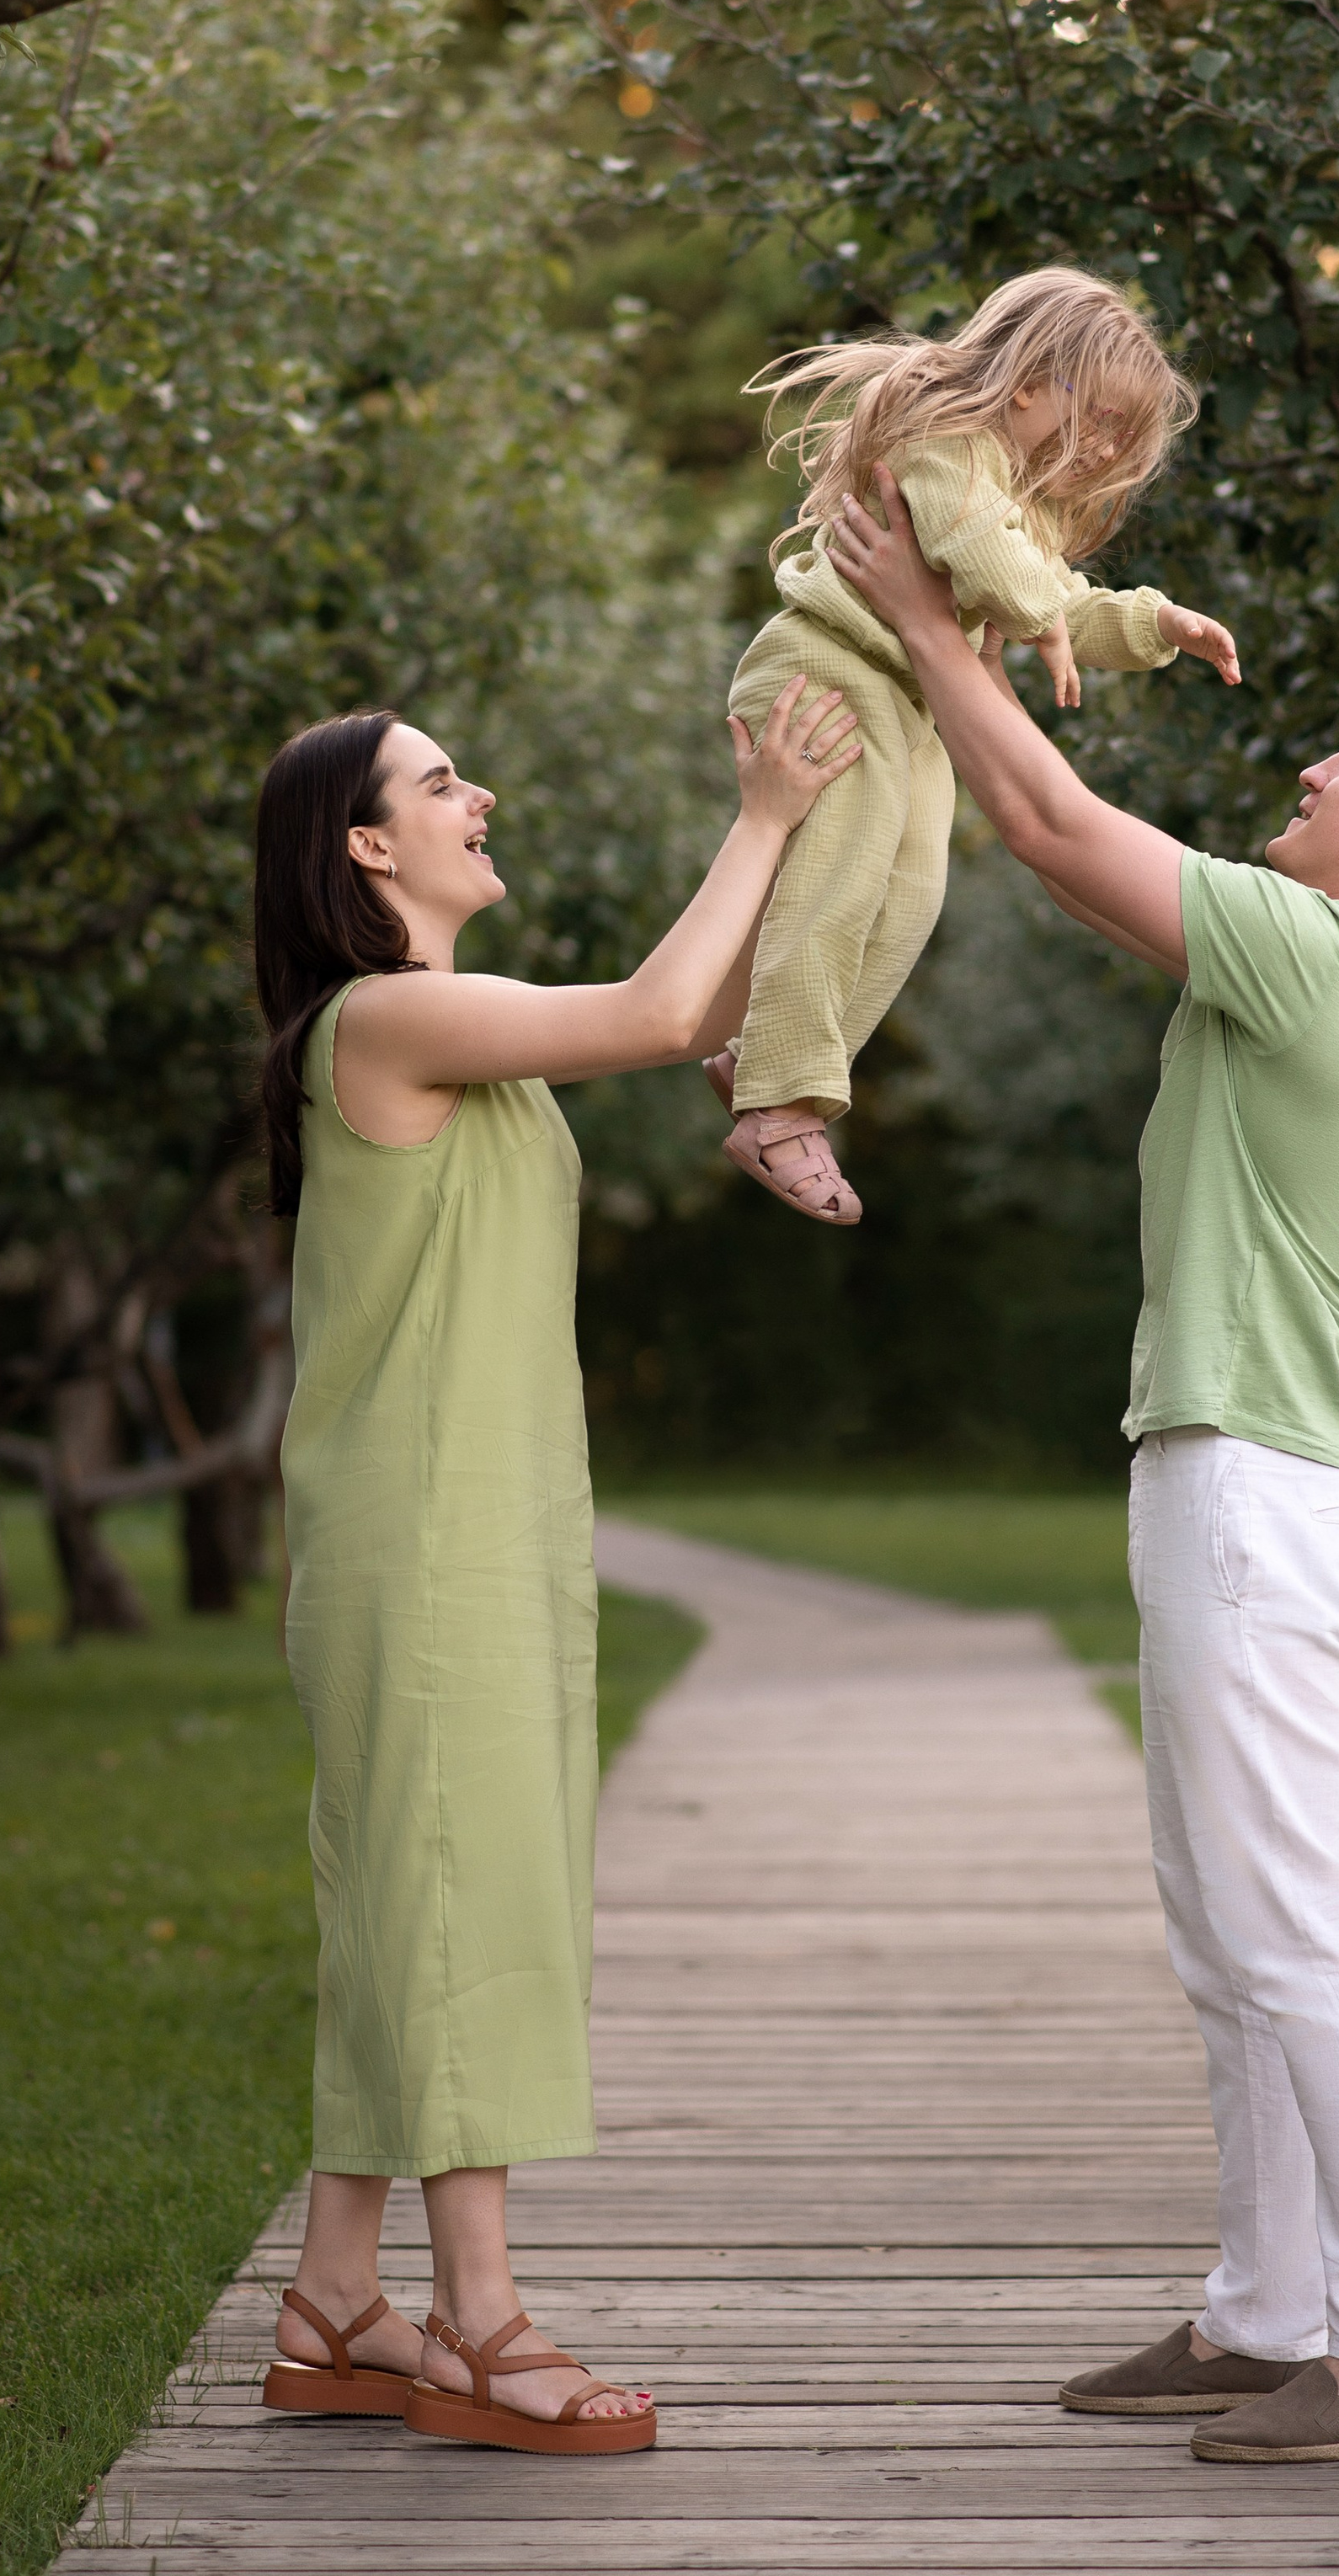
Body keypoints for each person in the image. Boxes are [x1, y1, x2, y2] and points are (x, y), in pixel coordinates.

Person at [829, 465, 1339, 2469]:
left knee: (1297, 1915)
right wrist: (965, 646)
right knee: (1218, 1916)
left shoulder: (1331, 957)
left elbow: (1061, 818)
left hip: (1255, 1491)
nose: (1313, 770)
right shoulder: (1295, 955)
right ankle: (1263, 2310)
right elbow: (1054, 850)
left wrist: (915, 618)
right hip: (1221, 1479)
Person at [250, 678, 859, 2457]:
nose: (478, 795)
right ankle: (479, 2328)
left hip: (476, 1522)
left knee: (411, 1895)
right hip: (419, 1534)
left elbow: (706, 1014)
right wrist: (757, 810)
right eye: (441, 784)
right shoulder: (384, 1016)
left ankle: (335, 2300)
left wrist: (846, 847)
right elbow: (668, 1007)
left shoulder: (455, 1026)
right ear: (365, 844)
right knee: (461, 1899)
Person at [711, 266, 1239, 1226]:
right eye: (1103, 420)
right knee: (842, 866)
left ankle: (766, 1057)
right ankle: (780, 1104)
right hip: (828, 665)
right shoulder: (945, 441)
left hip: (905, 698)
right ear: (1032, 380)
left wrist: (1156, 624)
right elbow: (990, 564)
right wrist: (1037, 611)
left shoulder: (1016, 495)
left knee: (910, 895)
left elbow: (1056, 600)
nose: (1108, 448)